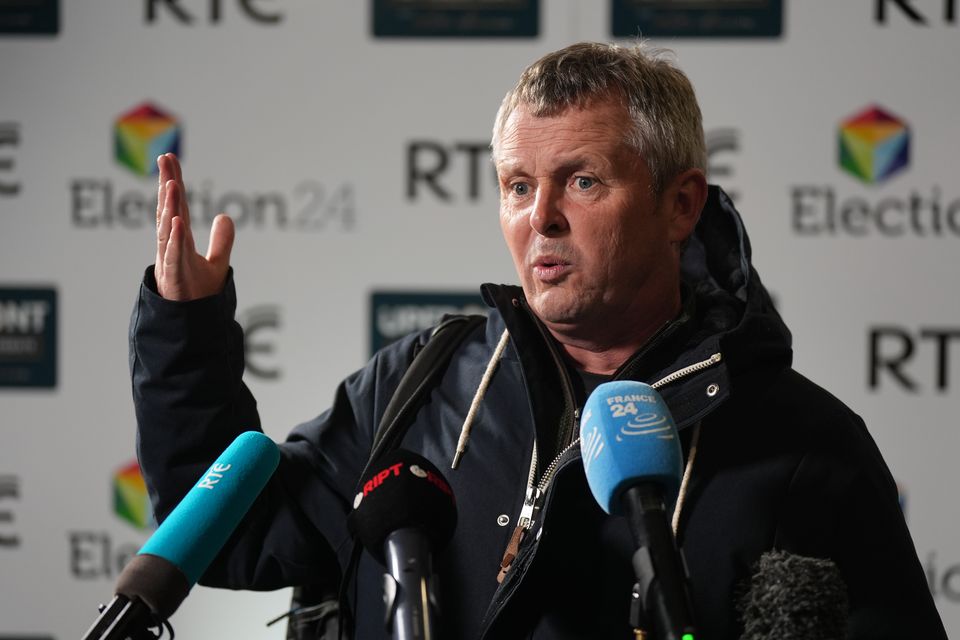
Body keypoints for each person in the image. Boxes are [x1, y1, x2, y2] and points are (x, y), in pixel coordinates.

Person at [130, 42, 947, 639]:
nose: (540, 217)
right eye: (519, 186)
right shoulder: (423, 382)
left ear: (680, 205)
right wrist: (186, 332)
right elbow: (233, 535)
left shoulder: (808, 448)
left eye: (582, 181)